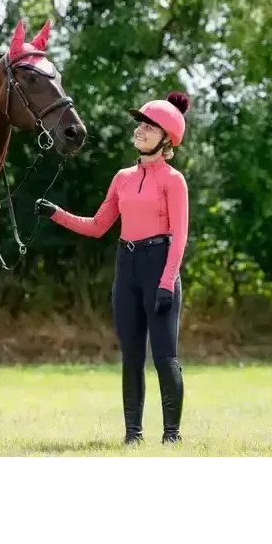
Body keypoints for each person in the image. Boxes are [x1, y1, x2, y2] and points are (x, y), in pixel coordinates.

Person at [35, 91, 190, 445]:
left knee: (165, 357)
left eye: (149, 127)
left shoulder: (173, 180)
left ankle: (171, 436)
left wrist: (167, 282)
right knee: (132, 356)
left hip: (159, 266)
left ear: (167, 138)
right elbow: (98, 225)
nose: (140, 130)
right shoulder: (122, 177)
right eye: (139, 124)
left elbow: (179, 237)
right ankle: (132, 435)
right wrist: (56, 213)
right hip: (127, 266)